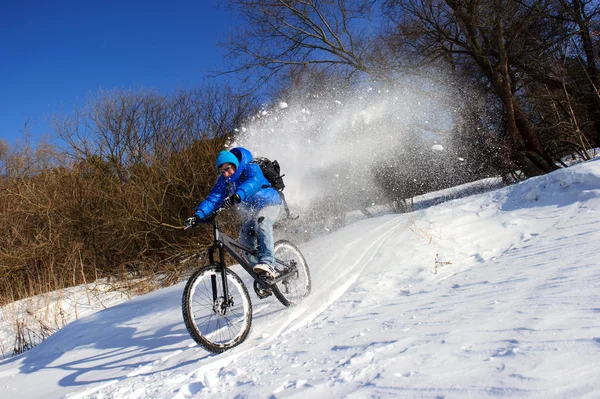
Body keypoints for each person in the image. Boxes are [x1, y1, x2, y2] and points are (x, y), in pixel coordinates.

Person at [186, 147, 284, 278]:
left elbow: (254, 182)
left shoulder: (251, 168)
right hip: (253, 212)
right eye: (222, 171)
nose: (226, 174)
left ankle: (268, 262)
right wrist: (197, 216)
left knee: (262, 220)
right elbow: (213, 199)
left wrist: (238, 195)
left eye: (227, 169)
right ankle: (262, 275)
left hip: (271, 203)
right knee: (244, 236)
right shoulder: (225, 181)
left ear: (235, 164)